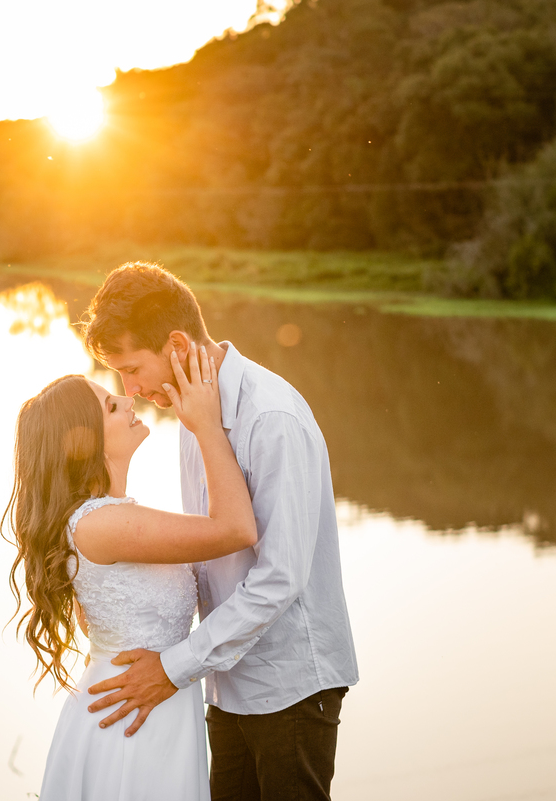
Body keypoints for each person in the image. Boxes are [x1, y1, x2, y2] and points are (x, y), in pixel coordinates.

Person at [81, 262, 359, 801]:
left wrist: (172, 667)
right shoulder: (194, 414)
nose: (131, 389)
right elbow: (213, 550)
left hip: (291, 685)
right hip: (225, 682)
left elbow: (281, 578)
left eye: (133, 369)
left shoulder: (270, 417)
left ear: (178, 344)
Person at [4, 344, 257, 799]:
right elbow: (236, 528)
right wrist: (206, 425)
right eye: (110, 405)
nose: (129, 400)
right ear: (82, 442)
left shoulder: (101, 519)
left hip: (143, 705)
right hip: (131, 721)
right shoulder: (103, 523)